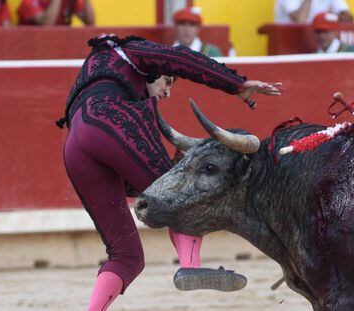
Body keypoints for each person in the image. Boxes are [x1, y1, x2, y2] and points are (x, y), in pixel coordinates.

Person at [56, 35, 282, 310]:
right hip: (107, 120)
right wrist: (236, 84)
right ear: (155, 70)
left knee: (127, 256)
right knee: (180, 195)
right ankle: (190, 265)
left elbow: (137, 186)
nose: (167, 92)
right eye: (168, 81)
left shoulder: (101, 67)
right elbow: (181, 58)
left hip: (75, 147)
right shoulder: (130, 51)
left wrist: (169, 169)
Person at [17, 0, 95, 25]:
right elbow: (46, 25)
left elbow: (90, 22)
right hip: (36, 49)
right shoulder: (28, 1)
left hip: (61, 45)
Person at [275, 0, 353, 24]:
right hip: (289, 43)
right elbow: (300, 20)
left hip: (317, 42)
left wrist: (331, 16)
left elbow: (347, 19)